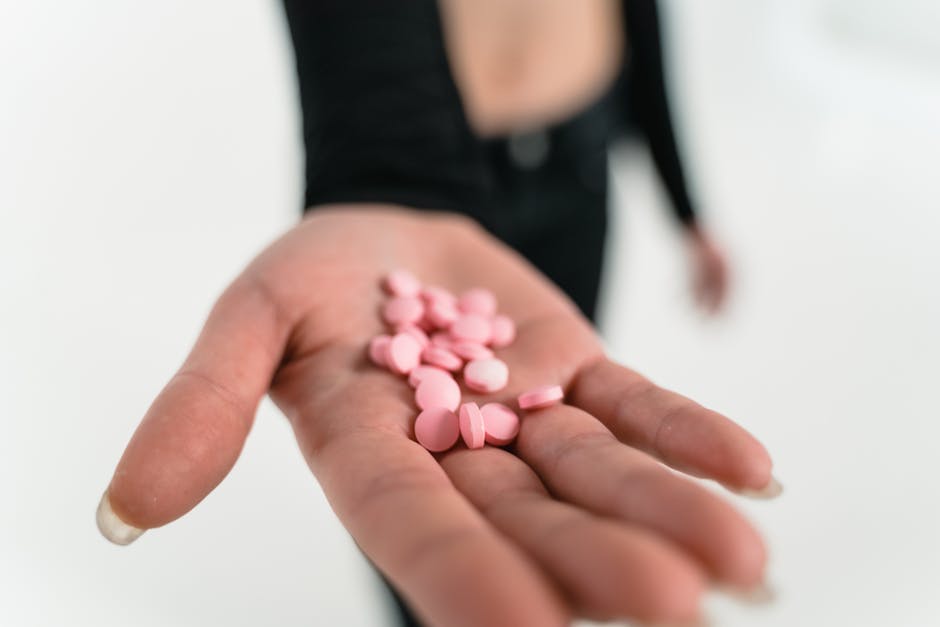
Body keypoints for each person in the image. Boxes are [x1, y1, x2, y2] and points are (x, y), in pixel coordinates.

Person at [96, 1, 777, 625]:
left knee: (554, 441)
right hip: (426, 152)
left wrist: (686, 205)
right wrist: (385, 164)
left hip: (581, 159)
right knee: (426, 498)